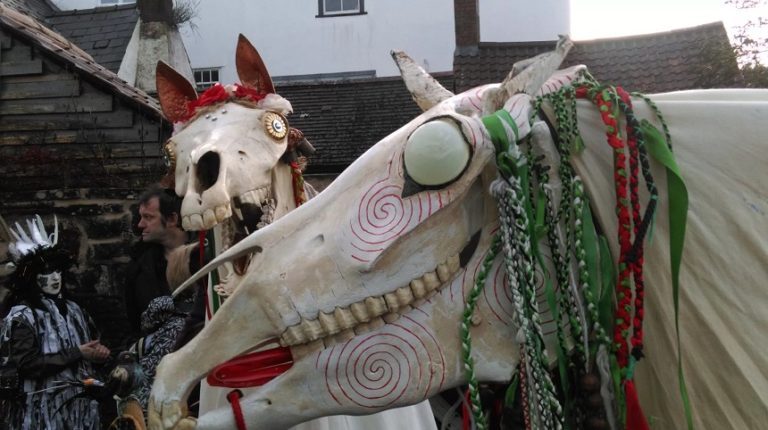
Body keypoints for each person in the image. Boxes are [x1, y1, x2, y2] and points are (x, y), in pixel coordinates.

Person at [0, 215, 110, 429]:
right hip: (41, 414)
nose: (54, 278)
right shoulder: (22, 316)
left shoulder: (75, 310)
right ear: (32, 278)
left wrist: (99, 355)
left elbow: (91, 351)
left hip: (80, 413)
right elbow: (26, 365)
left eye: (57, 271)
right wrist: (77, 352)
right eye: (45, 273)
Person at [124, 186, 188, 340]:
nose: (140, 225)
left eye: (148, 217)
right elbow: (135, 326)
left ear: (172, 219)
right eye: (141, 217)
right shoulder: (138, 268)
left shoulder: (204, 258)